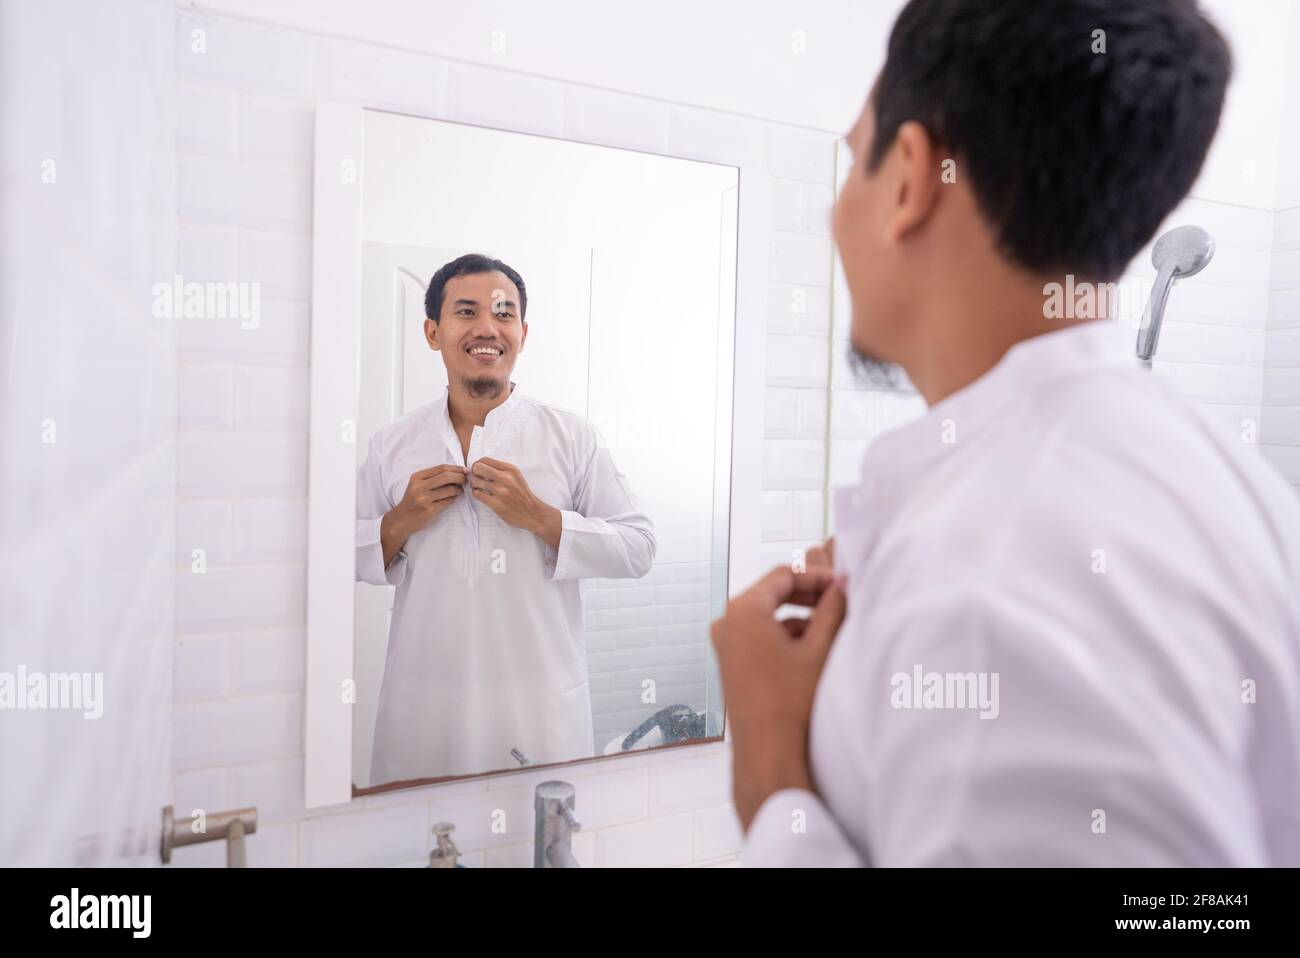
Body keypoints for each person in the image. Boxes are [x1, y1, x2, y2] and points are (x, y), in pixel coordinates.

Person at [713, 0, 1300, 866]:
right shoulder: (1245, 494)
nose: (835, 218)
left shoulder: (988, 591)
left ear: (910, 179)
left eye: (853, 164)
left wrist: (770, 772)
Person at [357, 253, 656, 783]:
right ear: (433, 331)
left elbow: (638, 548)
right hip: (425, 710)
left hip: (537, 708)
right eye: (466, 312)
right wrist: (399, 521)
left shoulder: (571, 437)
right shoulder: (392, 445)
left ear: (522, 331)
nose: (486, 328)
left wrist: (541, 517)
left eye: (503, 312)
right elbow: (331, 554)